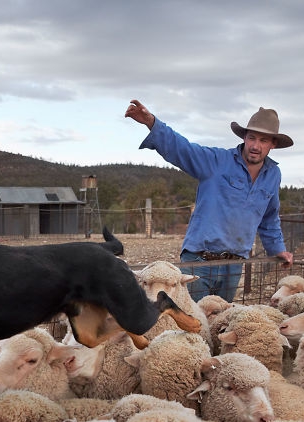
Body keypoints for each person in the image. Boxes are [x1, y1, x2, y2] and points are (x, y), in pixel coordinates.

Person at [125, 99, 294, 303]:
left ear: (273, 144)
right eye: (252, 138)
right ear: (244, 137)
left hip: (234, 264)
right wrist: (152, 123)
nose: (256, 146)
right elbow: (184, 149)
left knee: (219, 321)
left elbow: (269, 218)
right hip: (200, 261)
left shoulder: (273, 174)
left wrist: (278, 250)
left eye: (263, 140)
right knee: (192, 321)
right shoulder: (217, 161)